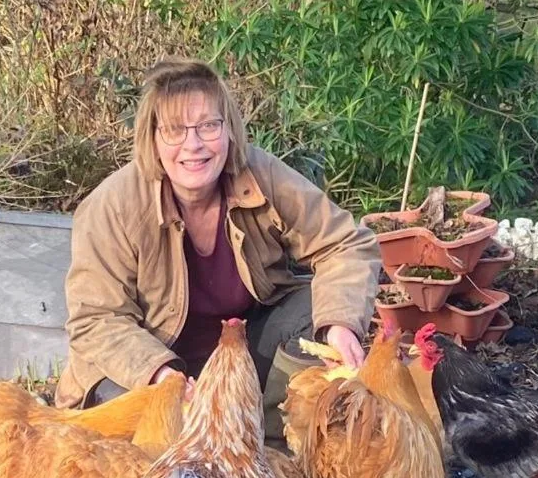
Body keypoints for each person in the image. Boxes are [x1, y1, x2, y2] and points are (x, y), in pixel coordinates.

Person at [54, 57, 381, 441]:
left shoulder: (259, 174)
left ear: (229, 130)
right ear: (153, 138)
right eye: (175, 130)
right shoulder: (112, 206)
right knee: (159, 446)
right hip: (141, 367)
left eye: (208, 125)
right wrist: (161, 374)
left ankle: (267, 440)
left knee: (317, 310)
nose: (193, 145)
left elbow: (345, 242)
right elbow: (95, 320)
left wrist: (340, 324)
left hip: (235, 357)